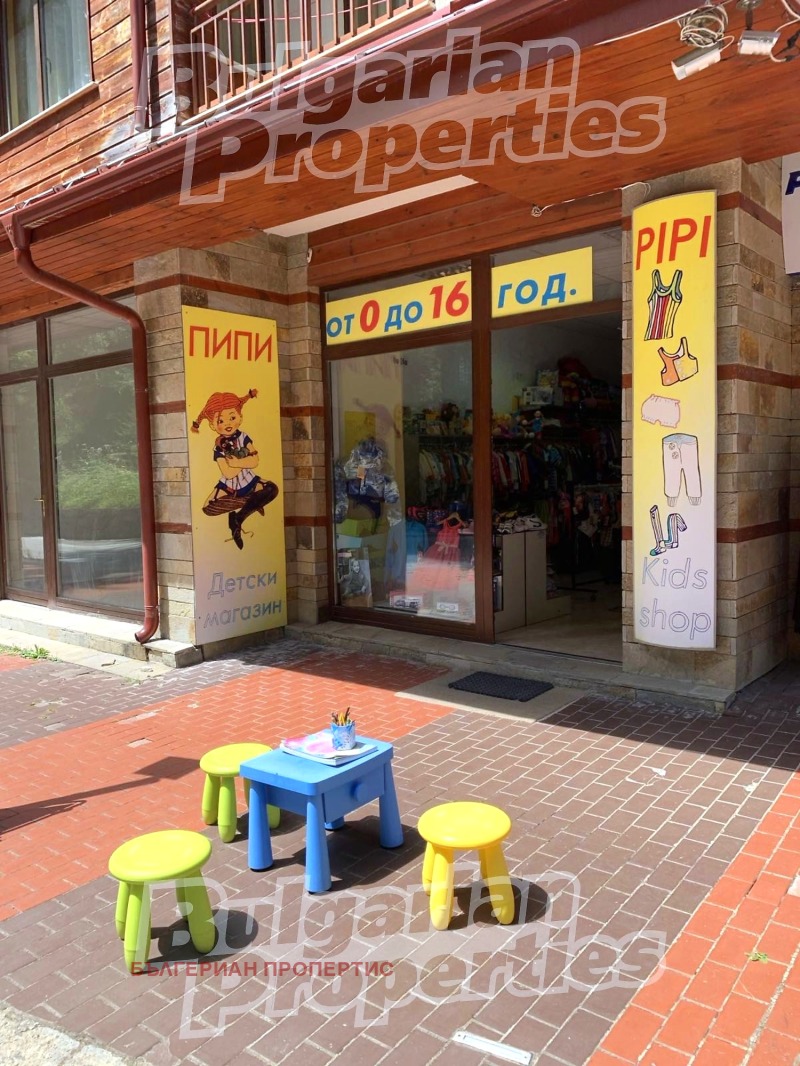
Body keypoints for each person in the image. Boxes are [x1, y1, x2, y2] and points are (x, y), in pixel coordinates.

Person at [191, 387, 278, 549]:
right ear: (213, 425)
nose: (227, 424)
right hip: (229, 487)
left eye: (232, 417)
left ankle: (238, 518)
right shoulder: (218, 448)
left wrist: (236, 461)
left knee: (272, 489)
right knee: (207, 508)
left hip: (250, 481)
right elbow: (228, 473)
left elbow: (255, 461)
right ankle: (253, 503)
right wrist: (245, 460)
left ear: (240, 417)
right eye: (220, 421)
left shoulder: (243, 437)